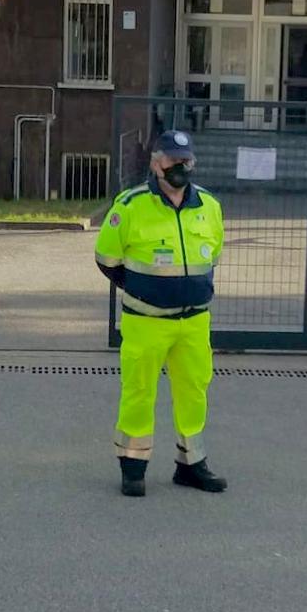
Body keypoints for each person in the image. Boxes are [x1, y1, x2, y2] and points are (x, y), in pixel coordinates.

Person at [94, 129, 227, 497]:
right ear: (156, 163)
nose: (180, 167)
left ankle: (191, 465)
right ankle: (133, 468)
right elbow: (107, 260)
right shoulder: (131, 205)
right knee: (138, 392)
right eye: (172, 161)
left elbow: (212, 256)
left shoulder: (210, 207)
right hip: (146, 322)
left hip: (194, 322)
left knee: (194, 391)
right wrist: (143, 290)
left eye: (186, 161)